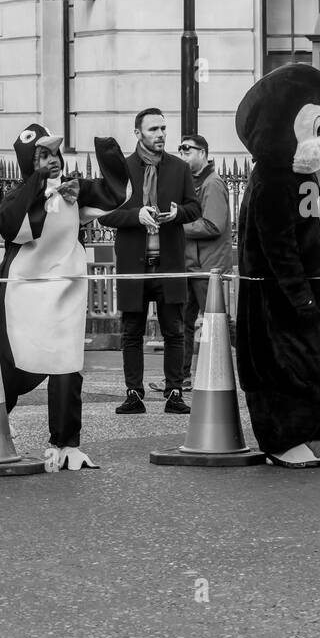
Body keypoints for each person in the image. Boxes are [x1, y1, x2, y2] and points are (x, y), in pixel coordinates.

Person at [235, 65, 320, 468]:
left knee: (316, 363)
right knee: (285, 367)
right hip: (282, 302)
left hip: (312, 294)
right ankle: (282, 438)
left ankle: (311, 433)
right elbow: (278, 247)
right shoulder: (272, 181)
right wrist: (300, 295)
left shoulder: (299, 177)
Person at [0, 123, 129, 470]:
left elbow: (118, 194)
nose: (52, 160)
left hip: (66, 291)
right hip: (23, 294)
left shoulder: (74, 190)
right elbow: (8, 225)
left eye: (54, 153)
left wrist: (108, 153)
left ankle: (66, 442)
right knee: (10, 362)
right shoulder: (20, 196)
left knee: (67, 363)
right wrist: (37, 183)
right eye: (42, 155)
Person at [99, 108, 200, 415]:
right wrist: (136, 216)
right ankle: (134, 393)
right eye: (154, 129)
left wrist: (178, 214)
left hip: (169, 264)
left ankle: (174, 392)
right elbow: (104, 214)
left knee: (174, 332)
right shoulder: (123, 168)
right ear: (138, 133)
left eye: (163, 128)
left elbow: (195, 208)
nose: (161, 134)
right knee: (132, 333)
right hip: (135, 266)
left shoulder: (179, 168)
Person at [149, 134, 232, 392]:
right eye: (180, 149)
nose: (182, 154)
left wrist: (176, 225)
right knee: (182, 322)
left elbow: (213, 225)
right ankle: (180, 377)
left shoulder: (212, 183)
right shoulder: (194, 184)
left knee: (215, 323)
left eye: (188, 149)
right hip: (191, 265)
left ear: (203, 153)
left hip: (207, 267)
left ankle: (233, 371)